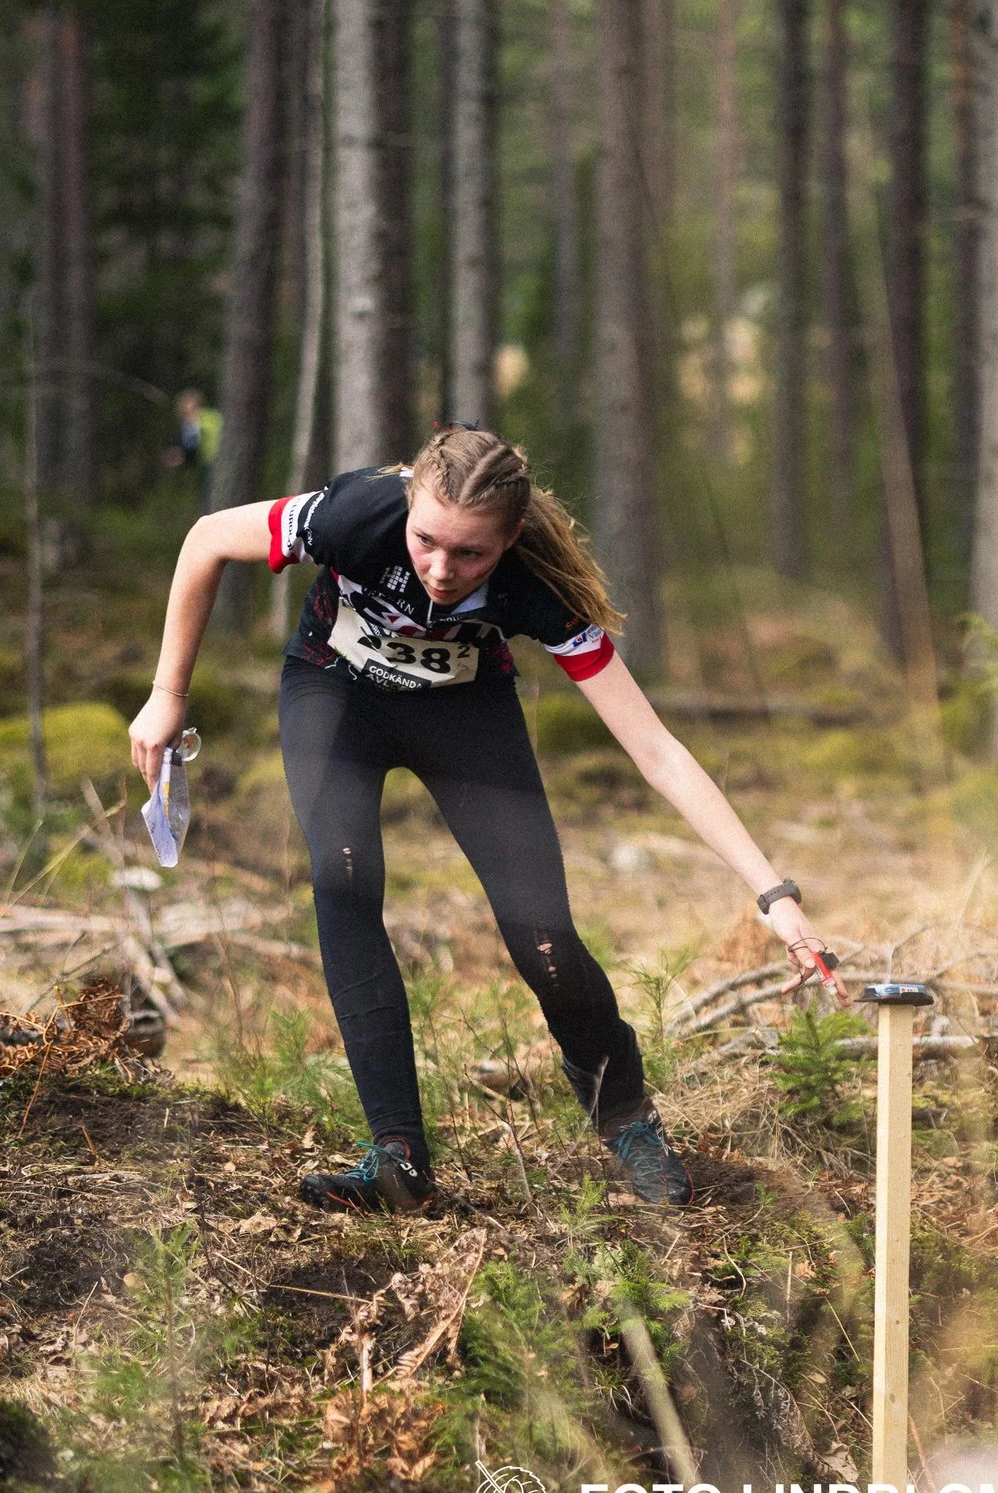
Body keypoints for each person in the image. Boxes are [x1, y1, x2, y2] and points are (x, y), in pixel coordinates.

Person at [128, 425, 839, 1213]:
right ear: (407, 508)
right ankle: (396, 1157)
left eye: (469, 555)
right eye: (426, 539)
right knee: (343, 878)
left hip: (465, 715)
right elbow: (203, 540)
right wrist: (168, 695)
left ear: (509, 540)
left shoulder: (536, 584)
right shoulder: (353, 514)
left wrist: (774, 894)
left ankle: (628, 1117)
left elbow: (657, 751)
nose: (439, 569)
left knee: (546, 941)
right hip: (335, 691)